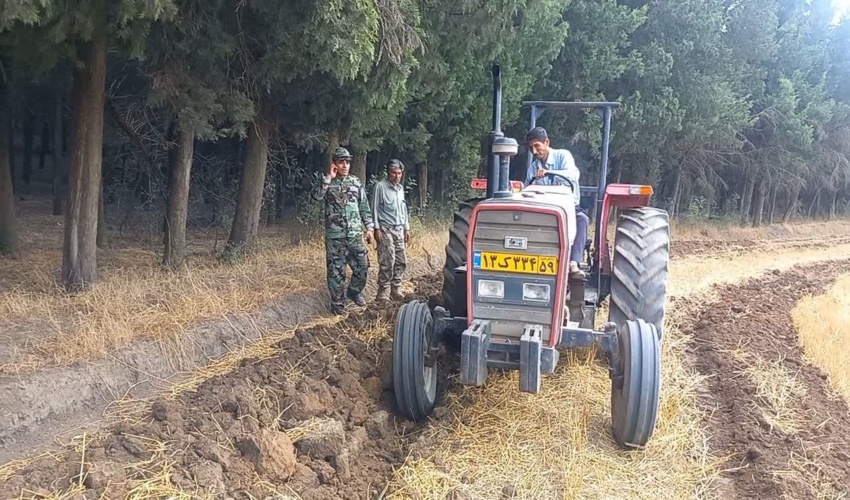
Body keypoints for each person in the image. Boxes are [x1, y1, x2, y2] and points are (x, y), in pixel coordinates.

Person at [312, 147, 375, 314]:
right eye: (341, 162)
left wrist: (369, 228)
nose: (345, 165)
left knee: (362, 266)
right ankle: (338, 306)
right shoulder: (327, 182)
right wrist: (328, 178)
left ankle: (354, 292)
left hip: (354, 235)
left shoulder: (355, 183)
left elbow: (364, 207)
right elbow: (316, 197)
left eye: (347, 162)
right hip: (335, 236)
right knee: (336, 272)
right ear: (335, 164)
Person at [524, 126, 588, 278]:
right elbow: (526, 189)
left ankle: (574, 262)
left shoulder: (563, 156)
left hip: (568, 208)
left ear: (546, 142)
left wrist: (550, 173)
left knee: (582, 219)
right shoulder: (533, 169)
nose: (534, 151)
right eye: (530, 148)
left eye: (537, 146)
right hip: (544, 210)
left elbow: (573, 175)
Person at [371, 159, 410, 301]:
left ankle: (396, 288)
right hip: (385, 228)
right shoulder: (380, 187)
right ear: (389, 172)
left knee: (401, 259)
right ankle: (383, 291)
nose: (397, 176)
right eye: (394, 173)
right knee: (387, 259)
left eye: (399, 173)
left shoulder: (400, 189)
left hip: (399, 229)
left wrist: (406, 228)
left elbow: (404, 209)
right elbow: (374, 208)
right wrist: (376, 228)